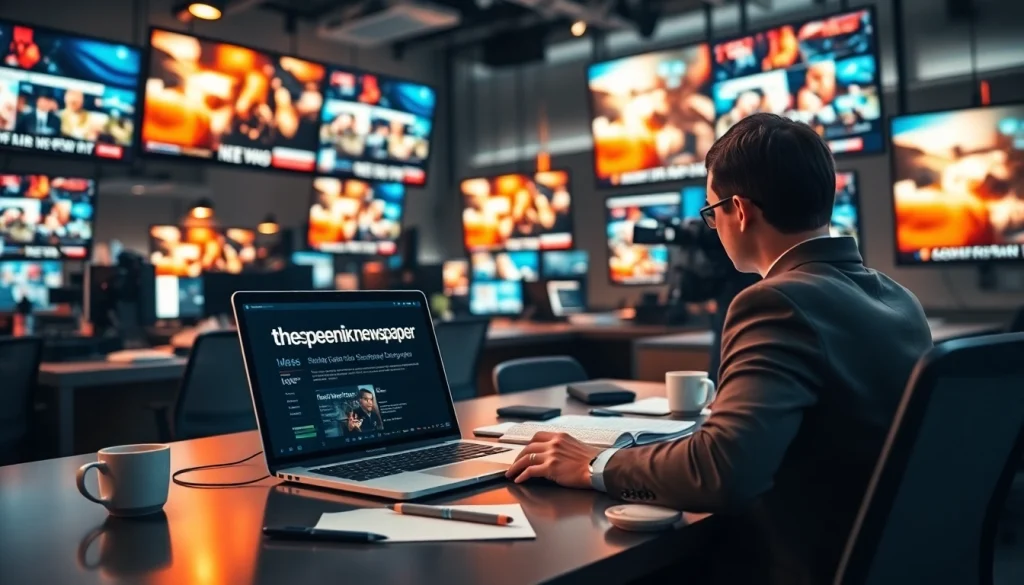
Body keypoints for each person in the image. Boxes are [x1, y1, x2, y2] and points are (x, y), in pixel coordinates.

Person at [506, 113, 933, 585]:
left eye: (711, 212)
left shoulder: (775, 301)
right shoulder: (899, 298)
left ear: (741, 211)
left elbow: (721, 472)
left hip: (799, 565)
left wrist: (592, 463)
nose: (712, 227)